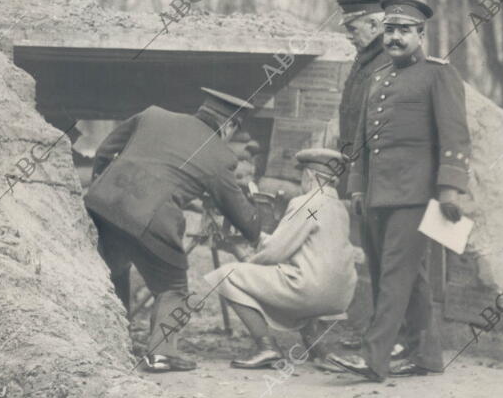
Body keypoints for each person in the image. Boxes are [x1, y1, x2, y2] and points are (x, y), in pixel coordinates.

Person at [330, 0, 471, 380]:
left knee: (394, 275)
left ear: (420, 34)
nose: (394, 38)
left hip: (415, 194)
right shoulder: (377, 78)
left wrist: (450, 189)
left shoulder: (438, 74)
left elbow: (455, 135)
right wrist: (357, 187)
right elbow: (361, 141)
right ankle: (425, 355)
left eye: (404, 30)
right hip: (377, 193)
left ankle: (373, 358)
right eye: (390, 30)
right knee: (401, 277)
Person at [85, 87, 261, 372]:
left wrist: (102, 187)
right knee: (173, 287)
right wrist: (255, 211)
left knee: (114, 269)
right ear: (228, 126)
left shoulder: (153, 115)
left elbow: (105, 151)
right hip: (152, 221)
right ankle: (161, 353)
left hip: (101, 205)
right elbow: (244, 221)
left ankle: (111, 341)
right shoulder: (219, 156)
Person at [204, 149, 358, 370]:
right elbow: (304, 246)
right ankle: (317, 350)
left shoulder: (307, 203)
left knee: (226, 276)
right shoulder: (339, 207)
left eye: (302, 177)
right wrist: (261, 240)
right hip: (340, 294)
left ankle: (267, 348)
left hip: (311, 290)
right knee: (302, 271)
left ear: (311, 177)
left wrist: (247, 259)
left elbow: (277, 251)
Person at [335, 0, 390, 350]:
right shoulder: (363, 61)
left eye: (353, 29)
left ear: (374, 26)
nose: (350, 36)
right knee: (369, 255)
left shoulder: (385, 63)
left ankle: (390, 336)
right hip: (359, 174)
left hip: (379, 175)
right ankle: (375, 332)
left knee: (385, 257)